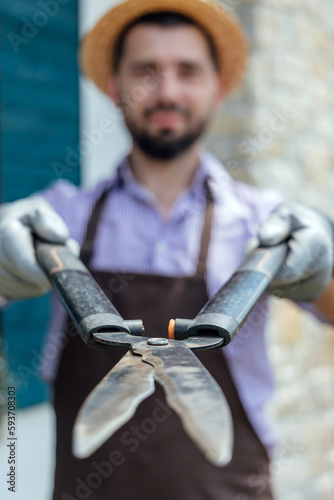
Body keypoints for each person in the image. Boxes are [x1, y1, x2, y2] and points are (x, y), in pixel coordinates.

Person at [0, 1, 333, 499]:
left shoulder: (262, 223)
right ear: (114, 87)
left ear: (217, 89)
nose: (168, 91)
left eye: (188, 71)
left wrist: (323, 272)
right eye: (146, 72)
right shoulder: (61, 216)